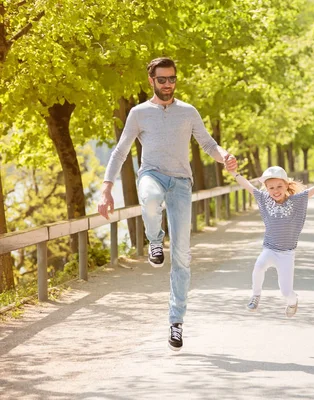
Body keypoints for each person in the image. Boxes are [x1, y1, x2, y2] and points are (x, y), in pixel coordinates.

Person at [97, 57, 238, 352]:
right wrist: (106, 188)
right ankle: (154, 240)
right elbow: (121, 151)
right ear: (151, 81)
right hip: (152, 174)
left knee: (183, 256)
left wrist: (225, 156)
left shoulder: (188, 112)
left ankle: (176, 321)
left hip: (182, 184)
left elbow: (209, 144)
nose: (167, 84)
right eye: (161, 80)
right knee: (148, 200)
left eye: (171, 79)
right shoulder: (139, 113)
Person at [227, 164, 314, 317]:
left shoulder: (296, 200)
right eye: (271, 187)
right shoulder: (264, 199)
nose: (275, 191)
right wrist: (234, 173)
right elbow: (247, 185)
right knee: (259, 266)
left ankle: (292, 301)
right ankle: (255, 295)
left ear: (287, 185)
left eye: (279, 186)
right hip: (269, 249)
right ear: (266, 189)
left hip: (287, 254)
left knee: (286, 291)